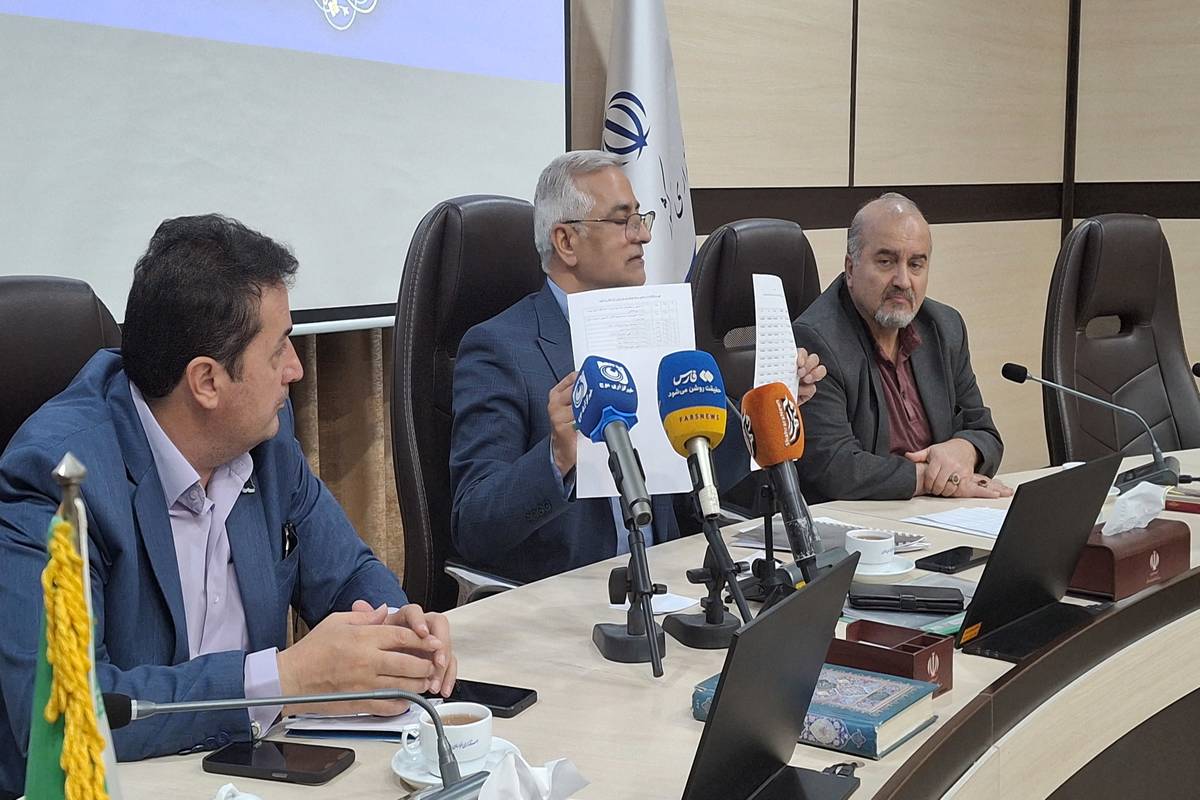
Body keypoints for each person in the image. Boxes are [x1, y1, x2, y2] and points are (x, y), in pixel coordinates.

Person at [0, 214, 455, 794]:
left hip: (247, 773)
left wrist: (400, 632)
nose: (296, 370)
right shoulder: (59, 480)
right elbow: (61, 714)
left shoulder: (263, 441)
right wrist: (286, 679)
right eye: (279, 349)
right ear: (207, 382)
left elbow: (347, 575)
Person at [450, 150, 824, 583]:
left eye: (641, 219)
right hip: (564, 594)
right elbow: (473, 525)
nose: (643, 235)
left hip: (665, 583)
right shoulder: (499, 349)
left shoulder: (656, 331)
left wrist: (765, 412)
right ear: (566, 242)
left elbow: (698, 487)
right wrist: (556, 457)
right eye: (623, 220)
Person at [792, 193, 1012, 503]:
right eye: (886, 262)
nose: (903, 281)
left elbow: (984, 432)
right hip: (862, 523)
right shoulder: (817, 339)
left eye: (916, 264)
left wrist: (964, 450)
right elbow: (835, 469)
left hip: (938, 515)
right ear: (851, 269)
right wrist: (931, 478)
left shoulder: (944, 327)